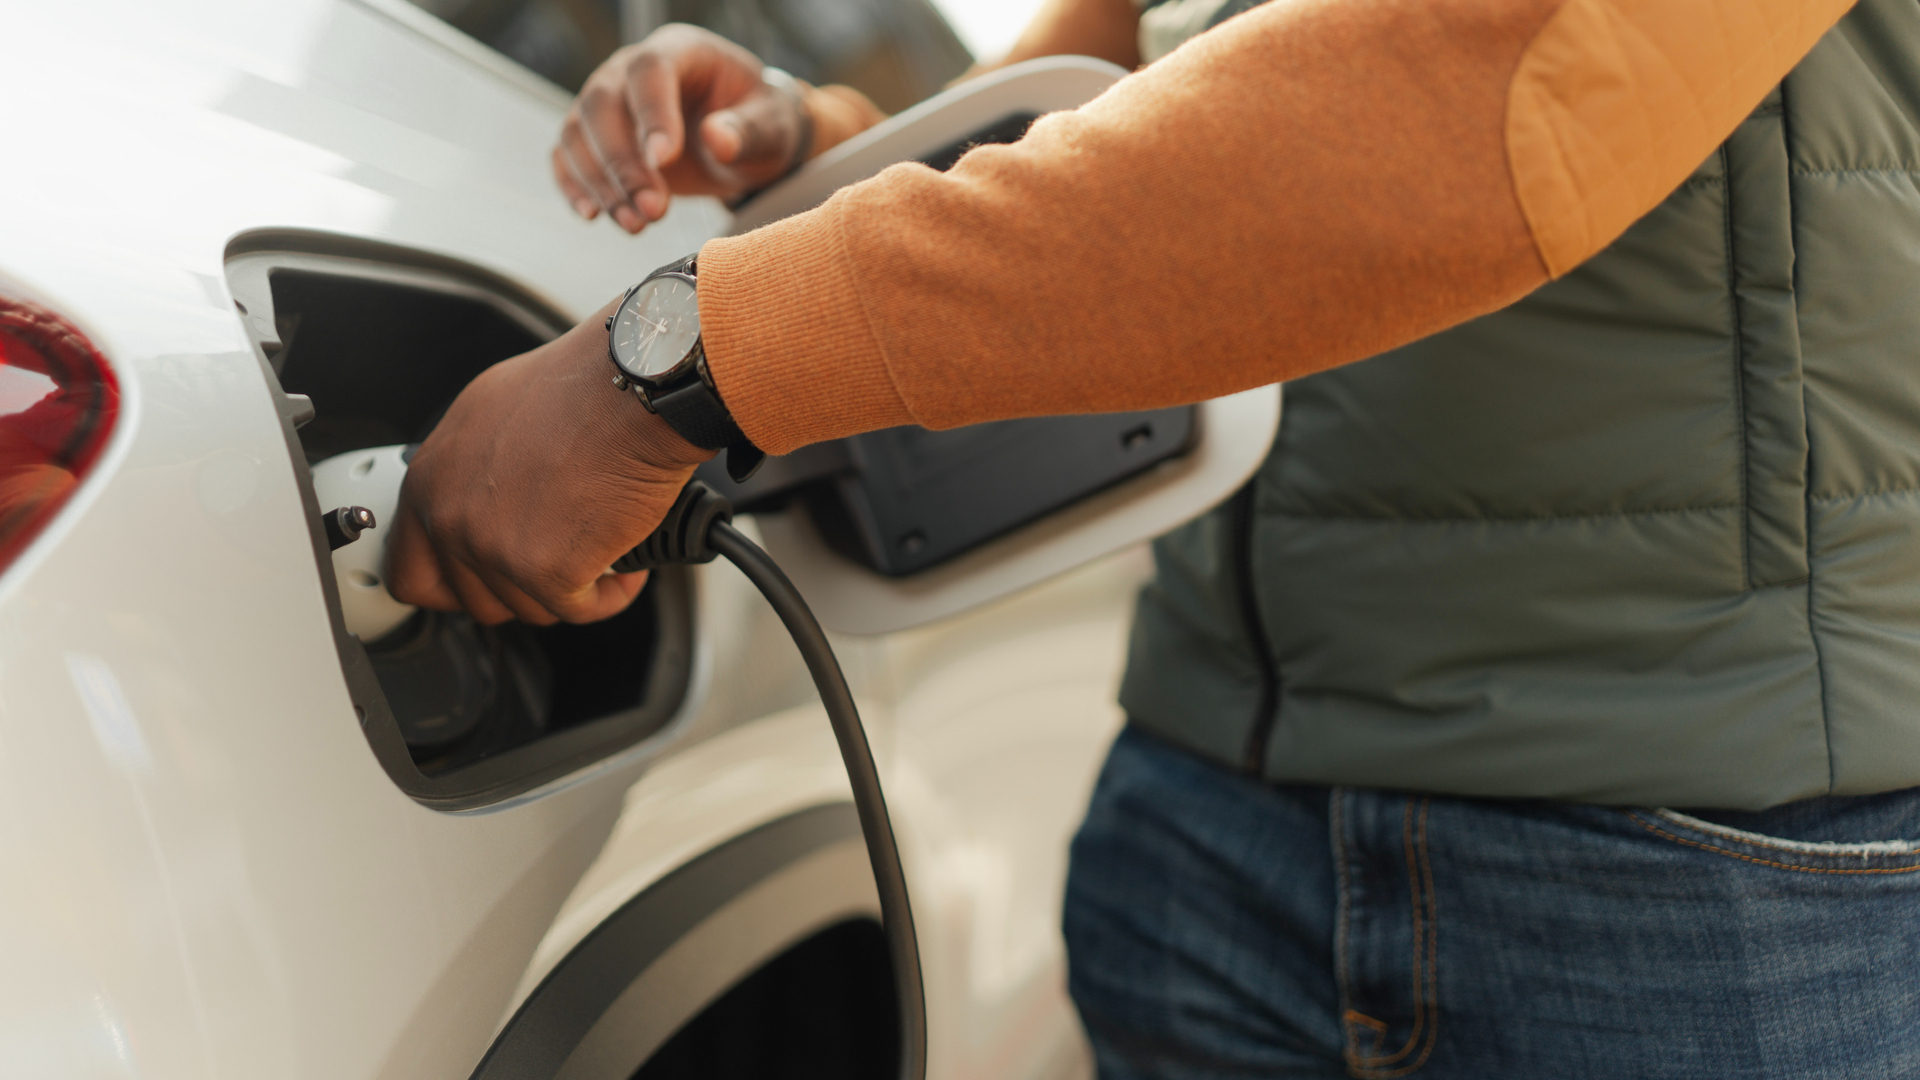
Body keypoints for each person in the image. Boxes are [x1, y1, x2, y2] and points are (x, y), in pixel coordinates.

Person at [389, 0, 1920, 1075]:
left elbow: (1490, 94)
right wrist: (832, 146)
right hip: (1208, 812)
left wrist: (682, 361)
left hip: (1691, 873)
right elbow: (1131, 107)